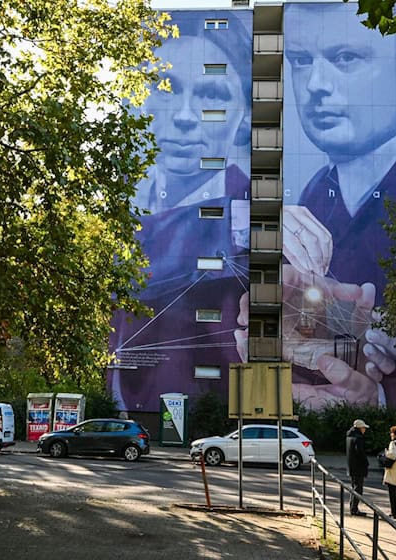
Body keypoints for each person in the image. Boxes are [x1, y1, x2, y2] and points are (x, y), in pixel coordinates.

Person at [278, 2, 396, 411]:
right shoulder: (309, 200)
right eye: (300, 61)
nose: (314, 85)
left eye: (345, 58)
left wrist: (383, 396)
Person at [109, 12, 252, 412]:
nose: (185, 116)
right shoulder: (122, 214)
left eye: (212, 95)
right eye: (165, 87)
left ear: (242, 118)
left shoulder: (259, 217)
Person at [346, 419, 370, 516]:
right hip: (358, 467)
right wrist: (366, 463)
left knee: (354, 487)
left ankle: (353, 507)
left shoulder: (349, 436)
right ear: (360, 428)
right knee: (358, 488)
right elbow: (360, 452)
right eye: (364, 428)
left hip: (351, 466)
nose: (365, 430)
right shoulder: (358, 438)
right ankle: (354, 509)